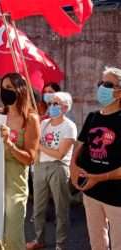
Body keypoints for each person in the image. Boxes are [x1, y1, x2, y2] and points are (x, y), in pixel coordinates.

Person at [70, 66, 121, 250]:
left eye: (108, 84)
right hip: (91, 194)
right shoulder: (92, 117)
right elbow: (80, 145)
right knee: (97, 243)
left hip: (116, 197)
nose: (102, 88)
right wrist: (73, 169)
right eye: (101, 83)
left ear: (120, 92)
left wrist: (96, 179)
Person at [0, 73, 40, 250]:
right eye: (3, 87)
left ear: (20, 90)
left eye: (10, 88)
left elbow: (30, 158)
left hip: (15, 184)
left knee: (13, 236)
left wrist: (9, 144)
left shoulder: (30, 119)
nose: (5, 91)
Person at [26, 92, 77, 250]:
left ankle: (60, 244)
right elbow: (33, 140)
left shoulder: (69, 126)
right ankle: (39, 240)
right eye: (51, 103)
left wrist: (39, 146)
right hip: (41, 167)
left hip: (58, 167)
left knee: (61, 209)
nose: (52, 106)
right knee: (38, 208)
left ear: (65, 107)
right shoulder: (44, 124)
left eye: (56, 103)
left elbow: (60, 153)